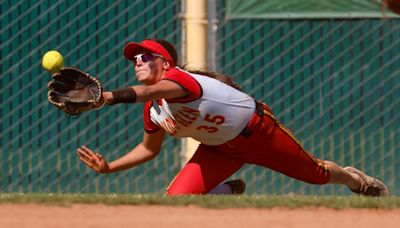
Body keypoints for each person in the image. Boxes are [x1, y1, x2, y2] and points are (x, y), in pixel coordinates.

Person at [77, 38, 389, 196]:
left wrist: (107, 97)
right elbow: (149, 149)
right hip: (219, 150)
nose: (137, 61)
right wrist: (109, 168)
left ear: (167, 64)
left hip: (260, 133)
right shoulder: (154, 109)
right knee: (177, 199)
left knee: (317, 175)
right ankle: (230, 190)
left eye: (145, 56)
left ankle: (353, 179)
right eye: (135, 59)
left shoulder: (183, 81)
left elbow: (142, 93)